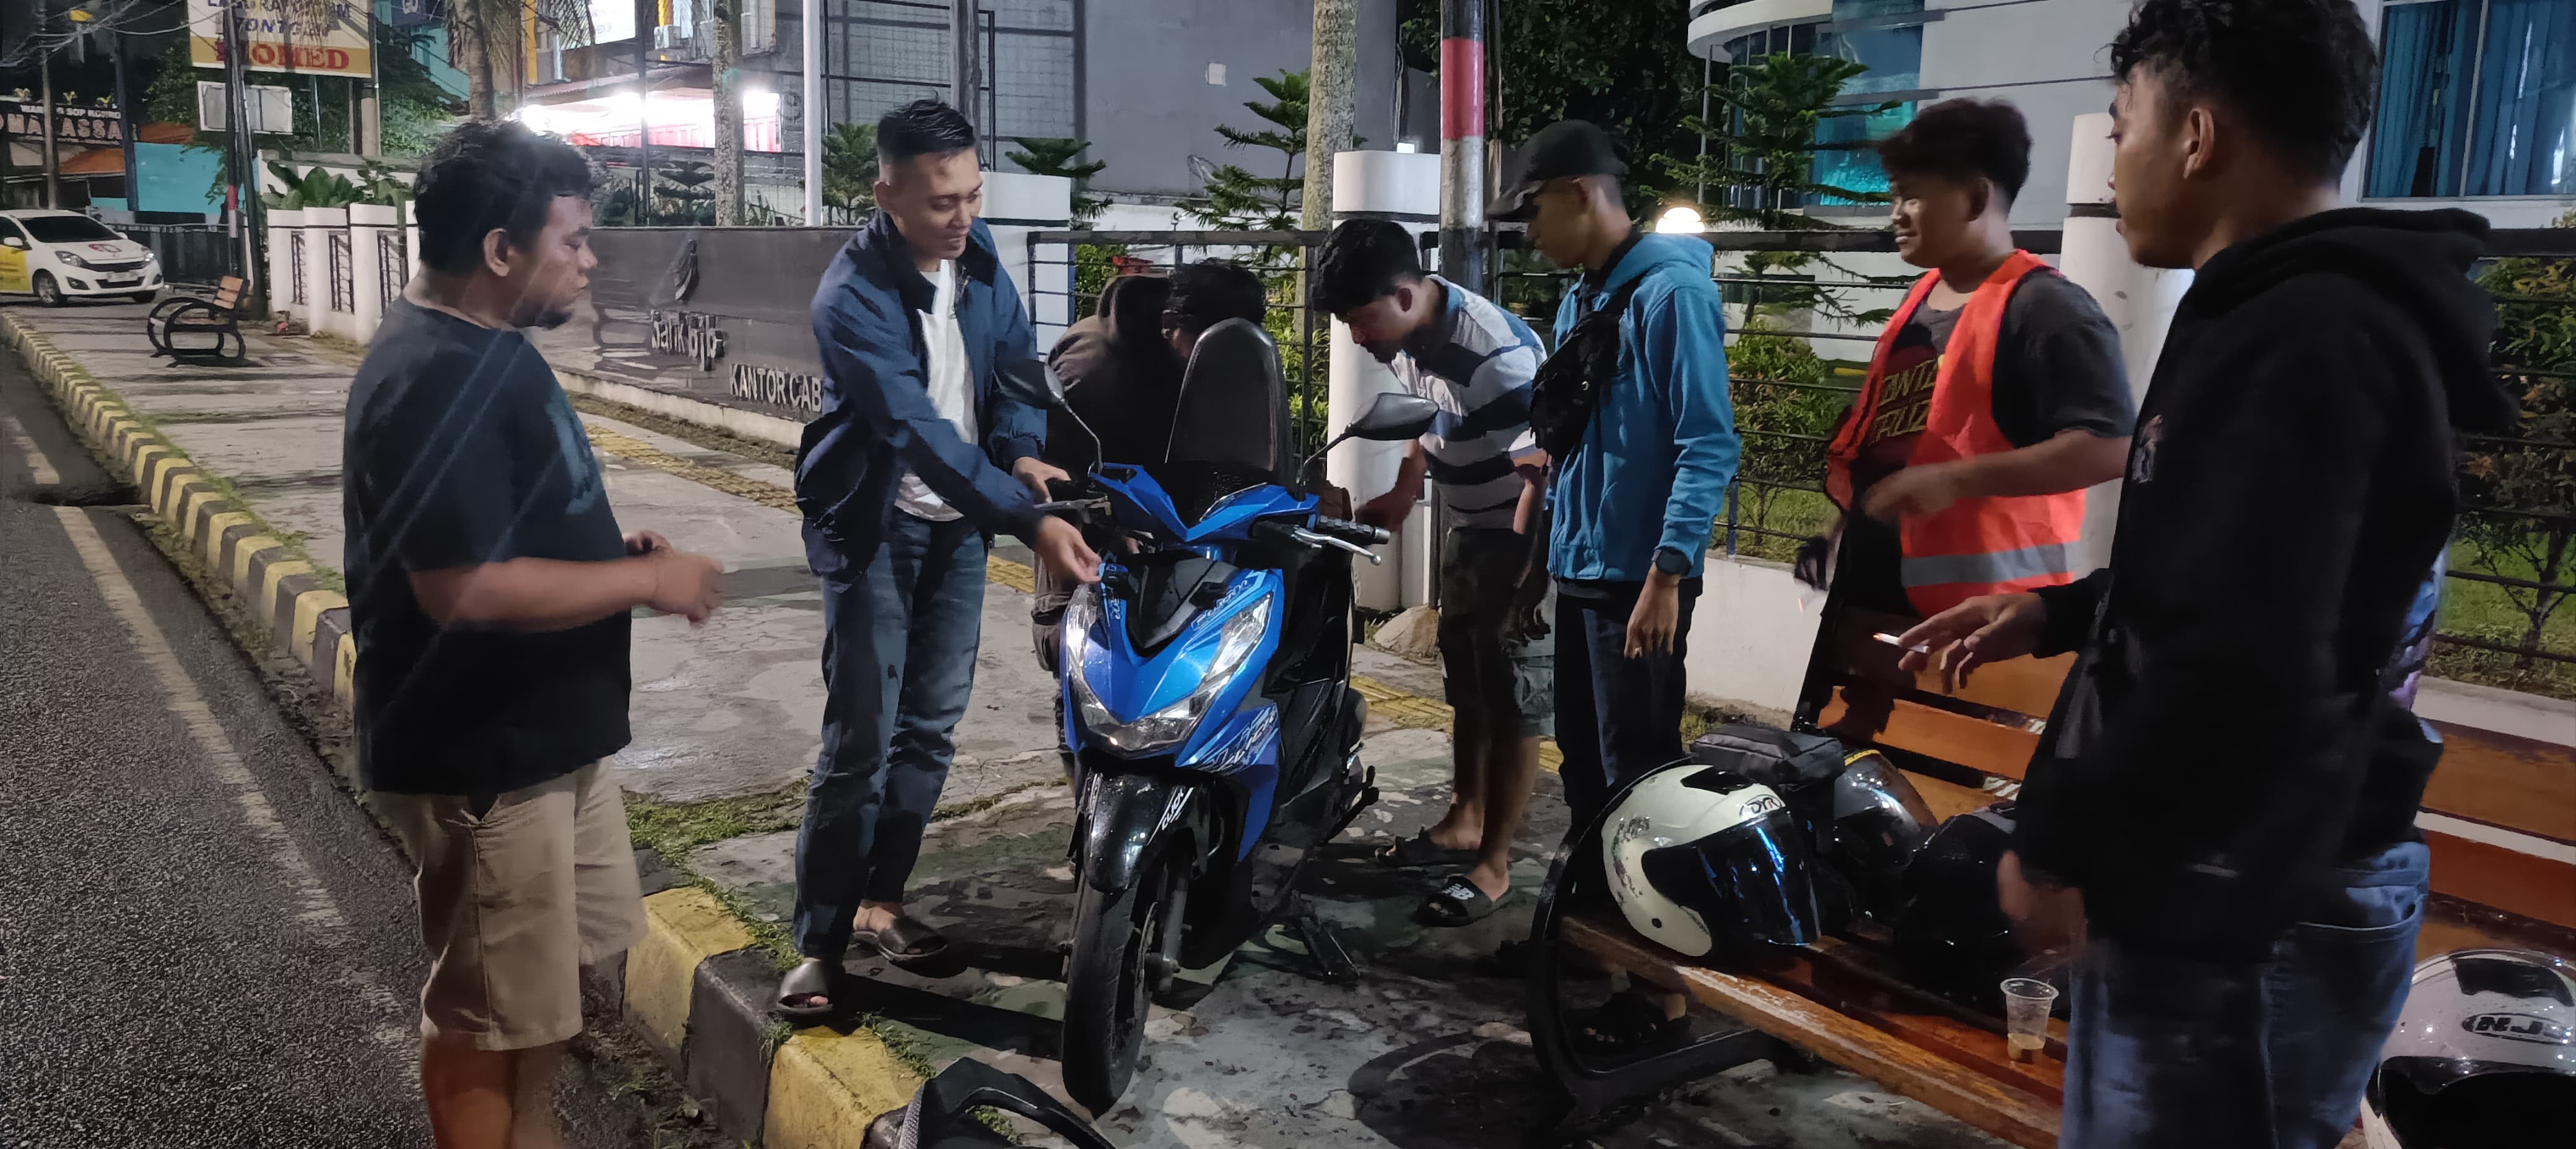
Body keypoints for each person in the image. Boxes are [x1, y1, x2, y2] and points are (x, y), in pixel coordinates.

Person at [1896, 2, 2513, 1145]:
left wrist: (2057, 843)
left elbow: (2244, 650)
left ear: (2197, 135)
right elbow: (2254, 572)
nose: (2112, 160)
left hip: (2242, 885)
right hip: (2255, 863)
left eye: (2121, 124)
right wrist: (2054, 613)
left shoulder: (2307, 331)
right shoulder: (2292, 313)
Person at [343, 119, 727, 1147]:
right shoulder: (431, 373)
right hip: (487, 758)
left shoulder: (490, 345)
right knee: (485, 1018)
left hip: (547, 741)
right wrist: (646, 579)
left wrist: (603, 550)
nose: (589, 260)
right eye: (574, 240)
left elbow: (498, 518)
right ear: (501, 250)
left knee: (543, 999)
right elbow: (462, 588)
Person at [783, 100, 1102, 1019]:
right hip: (876, 526)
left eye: (971, 195)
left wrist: (1021, 454)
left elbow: (1014, 372)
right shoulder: (851, 297)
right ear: (885, 195)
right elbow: (916, 432)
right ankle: (819, 944)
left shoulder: (982, 256)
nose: (961, 217)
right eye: (938, 202)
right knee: (860, 741)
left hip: (960, 529)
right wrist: (1028, 519)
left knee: (928, 730)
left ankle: (882, 902)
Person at [1490, 120, 1738, 1052]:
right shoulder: (1585, 299)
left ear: (1582, 194)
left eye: (1533, 211)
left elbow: (1708, 442)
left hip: (1641, 583)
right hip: (1584, 573)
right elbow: (1569, 445)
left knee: (1642, 781)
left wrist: (1668, 573)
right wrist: (1538, 565)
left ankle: (1663, 997)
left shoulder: (1671, 296)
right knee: (1590, 775)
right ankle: (1597, 946)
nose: (1528, 234)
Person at [1310, 218, 1551, 927]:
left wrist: (1529, 576)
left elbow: (1548, 471)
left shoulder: (1495, 359)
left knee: (1514, 699)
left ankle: (1494, 865)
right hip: (1468, 528)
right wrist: (1406, 488)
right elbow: (1425, 412)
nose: (1358, 337)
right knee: (1467, 686)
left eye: (1361, 320)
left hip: (1520, 535)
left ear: (1406, 294)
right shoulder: (1409, 337)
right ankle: (1463, 819)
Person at [1811, 98, 2133, 618]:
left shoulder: (2046, 309)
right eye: (1895, 196)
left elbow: (2111, 448)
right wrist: (1843, 533)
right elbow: (1894, 448)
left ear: (1977, 197)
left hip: (1981, 625)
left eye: (1912, 196)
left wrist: (1956, 480)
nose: (1896, 214)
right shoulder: (1918, 301)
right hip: (1870, 598)